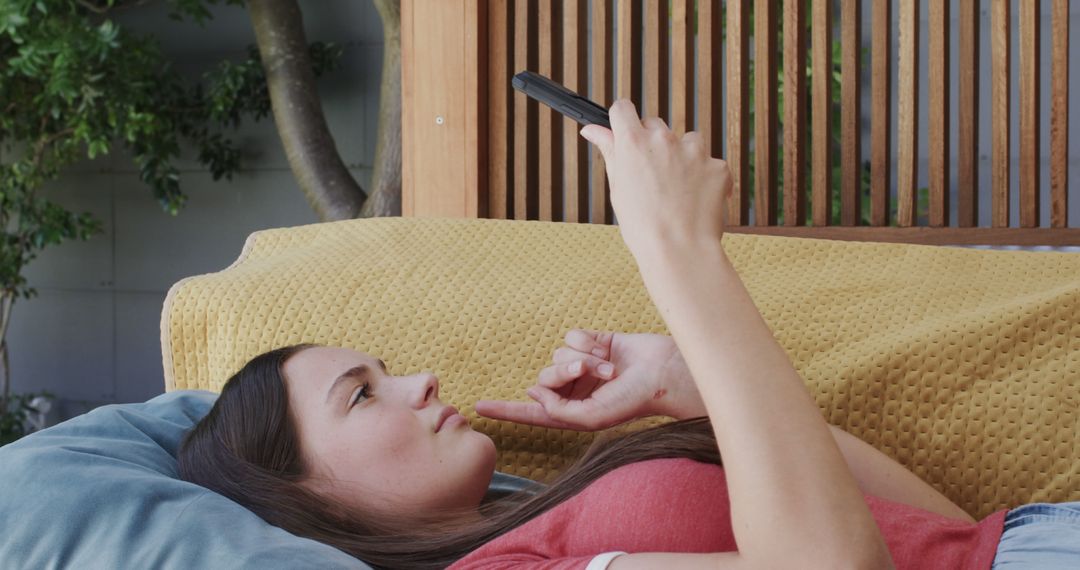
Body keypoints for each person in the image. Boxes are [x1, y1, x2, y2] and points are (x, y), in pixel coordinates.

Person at [178, 100, 1079, 569]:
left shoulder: (533, 516)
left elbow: (958, 536)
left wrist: (692, 384)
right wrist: (678, 253)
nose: (418, 382)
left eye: (382, 368)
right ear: (303, 503)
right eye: (363, 393)